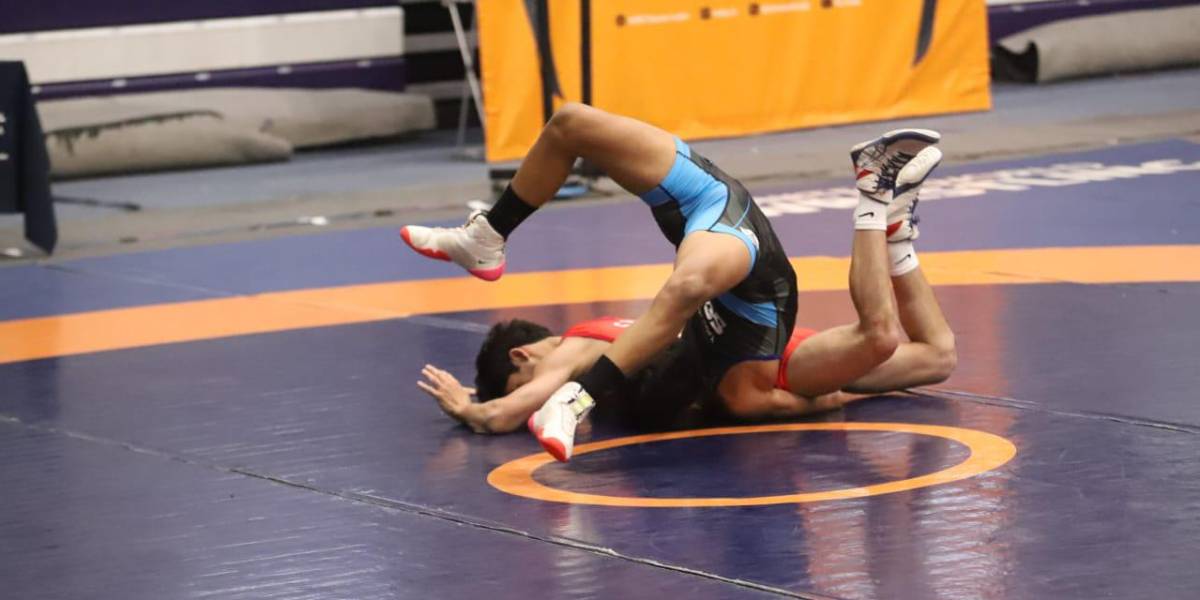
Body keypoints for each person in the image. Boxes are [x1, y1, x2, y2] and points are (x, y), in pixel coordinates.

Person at [403, 103, 951, 461]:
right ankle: (887, 219)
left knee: (571, 124)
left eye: (526, 387)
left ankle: (488, 236)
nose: (529, 398)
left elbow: (504, 413)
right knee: (933, 355)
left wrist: (472, 409)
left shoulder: (574, 348)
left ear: (523, 356)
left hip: (734, 287)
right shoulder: (605, 344)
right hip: (747, 316)